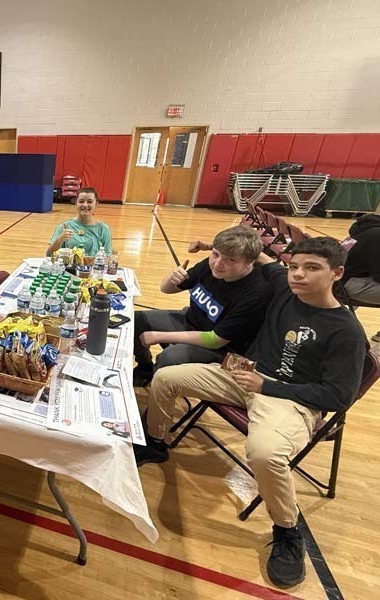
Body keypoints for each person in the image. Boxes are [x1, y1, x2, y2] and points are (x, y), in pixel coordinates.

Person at [135, 237, 367, 588]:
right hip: (245, 371)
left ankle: (288, 532)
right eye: (295, 266)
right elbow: (263, 256)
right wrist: (224, 248)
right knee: (166, 376)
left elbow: (337, 396)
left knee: (265, 452)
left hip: (289, 397)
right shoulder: (284, 284)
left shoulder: (347, 331)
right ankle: (155, 442)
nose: (299, 275)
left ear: (337, 273)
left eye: (312, 268)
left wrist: (267, 386)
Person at [133, 226, 272, 386]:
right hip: (192, 322)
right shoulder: (211, 265)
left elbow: (215, 340)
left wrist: (159, 336)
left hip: (226, 350)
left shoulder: (257, 293)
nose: (218, 264)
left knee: (170, 357)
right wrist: (171, 278)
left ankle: (157, 399)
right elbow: (165, 290)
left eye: (230, 260)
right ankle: (144, 368)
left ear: (249, 262)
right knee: (138, 320)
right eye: (216, 254)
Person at [341, 213, 380, 342]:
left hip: (339, 281)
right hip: (347, 285)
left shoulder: (360, 231)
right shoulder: (377, 236)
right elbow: (378, 274)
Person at [46, 187, 113, 257]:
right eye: (81, 201)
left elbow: (108, 257)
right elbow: (48, 255)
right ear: (76, 203)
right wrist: (59, 240)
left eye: (90, 202)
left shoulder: (103, 229)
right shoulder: (64, 226)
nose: (85, 205)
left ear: (96, 204)